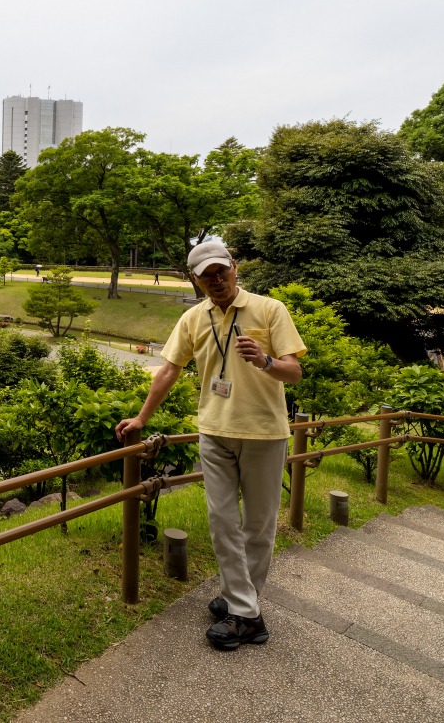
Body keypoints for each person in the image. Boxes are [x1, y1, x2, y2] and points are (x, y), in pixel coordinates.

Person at [115, 241, 305, 652]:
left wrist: (265, 361)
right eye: (207, 275)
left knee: (258, 526)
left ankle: (242, 607)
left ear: (235, 267)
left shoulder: (270, 310)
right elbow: (169, 370)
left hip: (264, 433)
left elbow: (294, 372)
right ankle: (245, 609)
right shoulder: (192, 318)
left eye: (222, 271)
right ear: (195, 280)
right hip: (214, 432)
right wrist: (142, 418)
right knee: (222, 521)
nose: (217, 280)